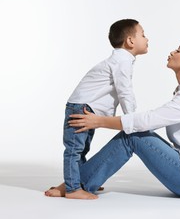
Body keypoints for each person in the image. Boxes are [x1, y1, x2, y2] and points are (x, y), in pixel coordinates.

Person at [45, 35, 180, 199]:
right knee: (135, 132)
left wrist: (99, 121)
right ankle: (79, 182)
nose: (172, 52)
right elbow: (146, 123)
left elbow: (146, 121)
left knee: (133, 135)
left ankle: (75, 185)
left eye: (179, 50)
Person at [46, 19, 149, 199]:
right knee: (75, 149)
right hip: (82, 108)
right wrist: (131, 118)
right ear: (130, 41)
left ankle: (79, 181)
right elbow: (125, 91)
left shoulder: (122, 60)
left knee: (82, 149)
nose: (147, 38)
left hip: (87, 108)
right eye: (143, 34)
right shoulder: (122, 61)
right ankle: (72, 189)